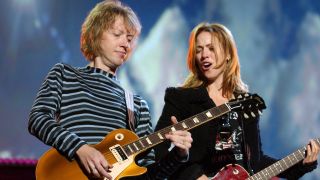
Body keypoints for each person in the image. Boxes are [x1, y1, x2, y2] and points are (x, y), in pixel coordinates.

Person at [28, 1, 192, 179]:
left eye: (129, 39)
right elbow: (38, 118)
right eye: (117, 34)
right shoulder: (64, 74)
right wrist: (80, 148)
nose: (125, 44)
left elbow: (149, 175)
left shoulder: (137, 105)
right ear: (96, 34)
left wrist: (178, 155)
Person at [154, 22, 319, 179]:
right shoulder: (181, 98)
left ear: (227, 54)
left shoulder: (245, 103)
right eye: (199, 50)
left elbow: (256, 162)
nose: (204, 55)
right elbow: (157, 155)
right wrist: (193, 175)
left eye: (211, 48)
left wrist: (302, 164)